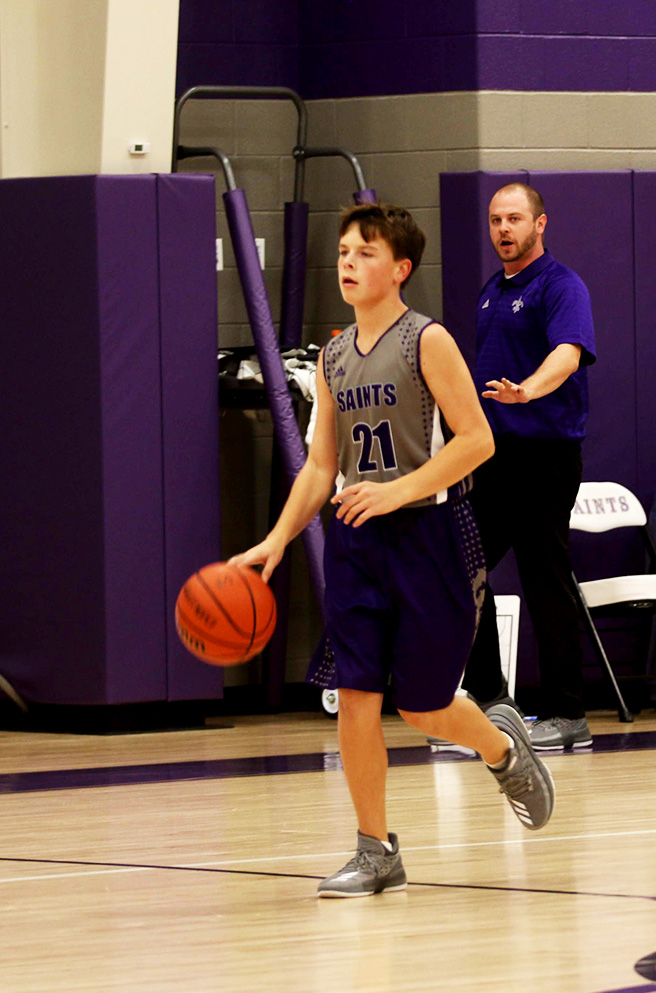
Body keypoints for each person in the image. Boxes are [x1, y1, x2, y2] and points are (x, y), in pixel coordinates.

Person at [230, 202, 555, 899]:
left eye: (365, 252)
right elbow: (321, 466)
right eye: (344, 250)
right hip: (356, 540)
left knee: (425, 706)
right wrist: (278, 539)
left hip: (432, 535)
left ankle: (500, 745)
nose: (348, 261)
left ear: (400, 268)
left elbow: (477, 440)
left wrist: (397, 490)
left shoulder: (427, 340)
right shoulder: (332, 355)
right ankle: (376, 848)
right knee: (355, 695)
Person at [460, 183, 597, 751]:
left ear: (540, 224)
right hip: (496, 457)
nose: (503, 230)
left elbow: (567, 353)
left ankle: (570, 713)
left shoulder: (562, 285)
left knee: (546, 580)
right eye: (495, 220)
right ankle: (495, 705)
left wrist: (528, 392)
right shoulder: (492, 291)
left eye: (514, 219)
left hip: (545, 456)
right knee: (461, 568)